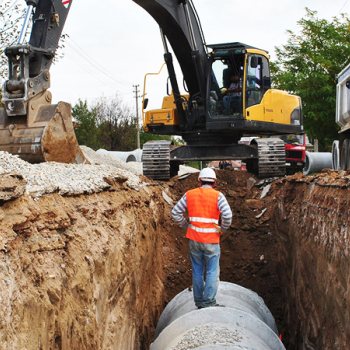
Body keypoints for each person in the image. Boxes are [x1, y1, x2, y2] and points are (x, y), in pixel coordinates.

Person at [171, 168, 232, 308]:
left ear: (199, 180)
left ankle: (199, 302)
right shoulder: (218, 196)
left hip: (194, 240)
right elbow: (228, 215)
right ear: (214, 182)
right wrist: (222, 229)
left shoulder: (189, 194)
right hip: (211, 240)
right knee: (212, 271)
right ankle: (208, 302)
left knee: (197, 270)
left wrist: (186, 226)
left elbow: (175, 212)